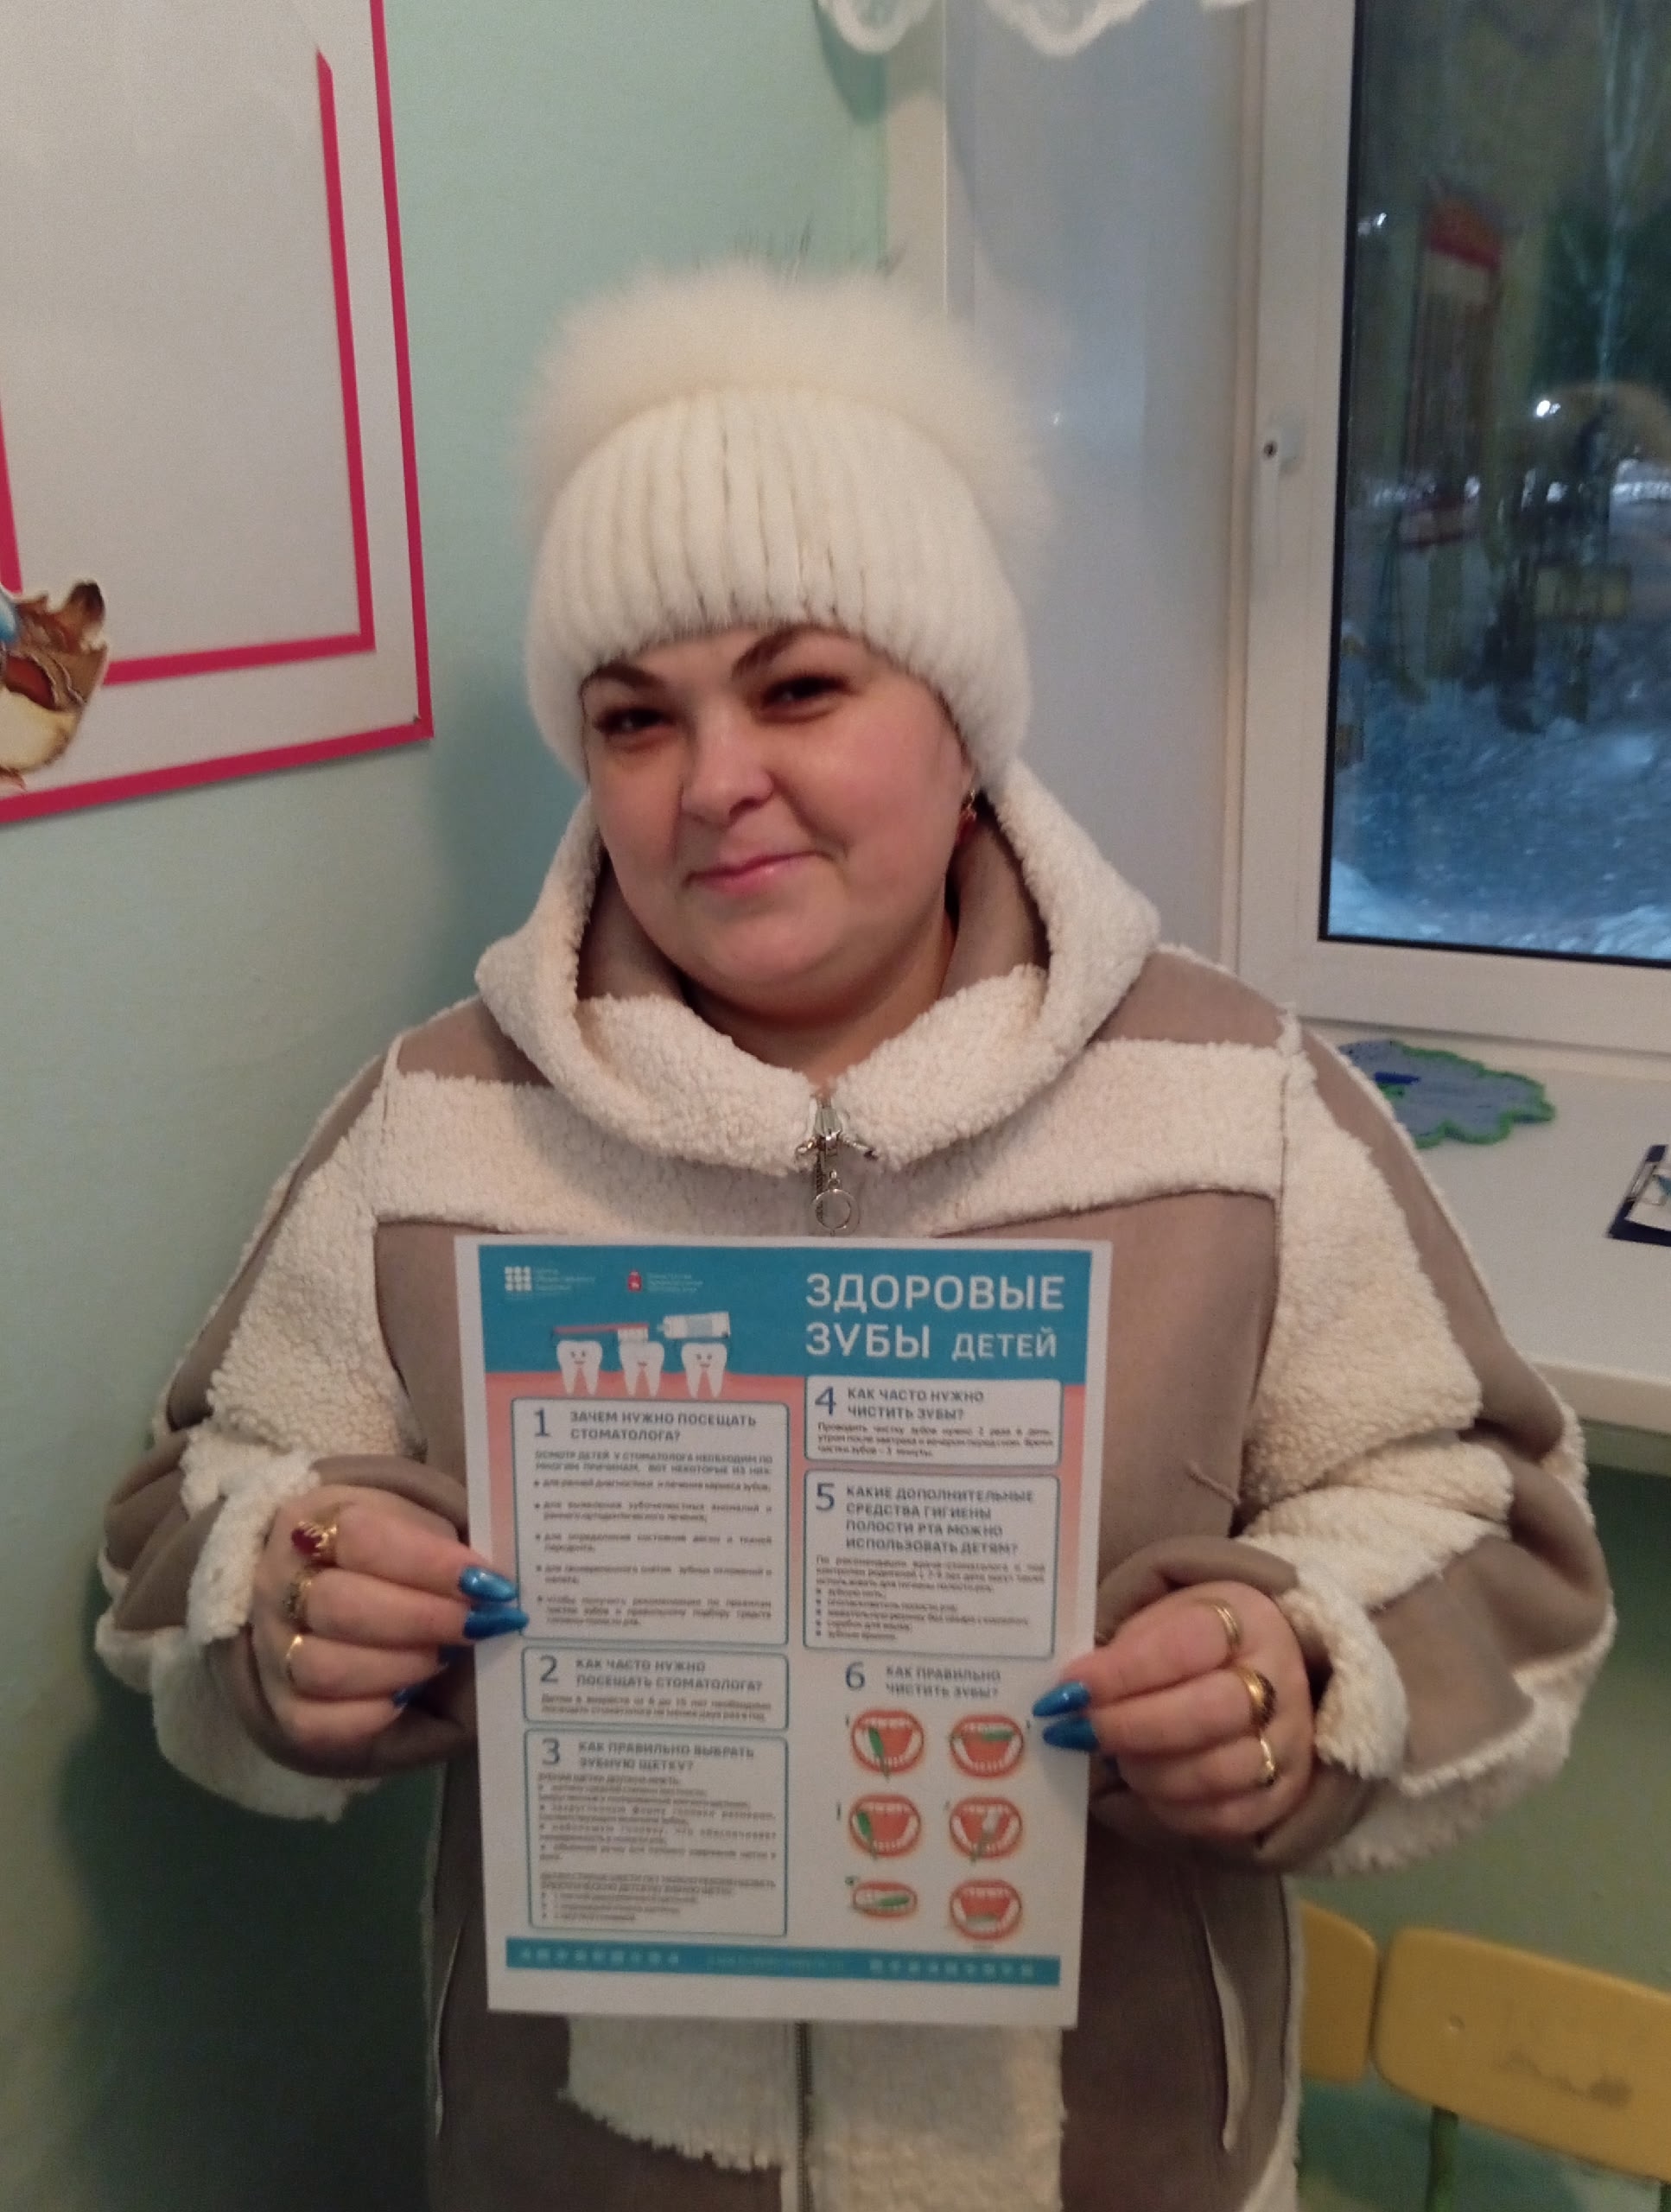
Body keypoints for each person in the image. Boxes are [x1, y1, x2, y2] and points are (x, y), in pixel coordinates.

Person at [96, 260, 1613, 2212]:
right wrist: (287, 1593)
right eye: (635, 717)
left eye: (799, 685)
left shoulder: (1231, 1101)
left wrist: (1301, 1666)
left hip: (1103, 2162)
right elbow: (183, 1521)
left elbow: (1495, 1523)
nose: (717, 780)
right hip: (588, 2168)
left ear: (960, 719)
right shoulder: (440, 1124)